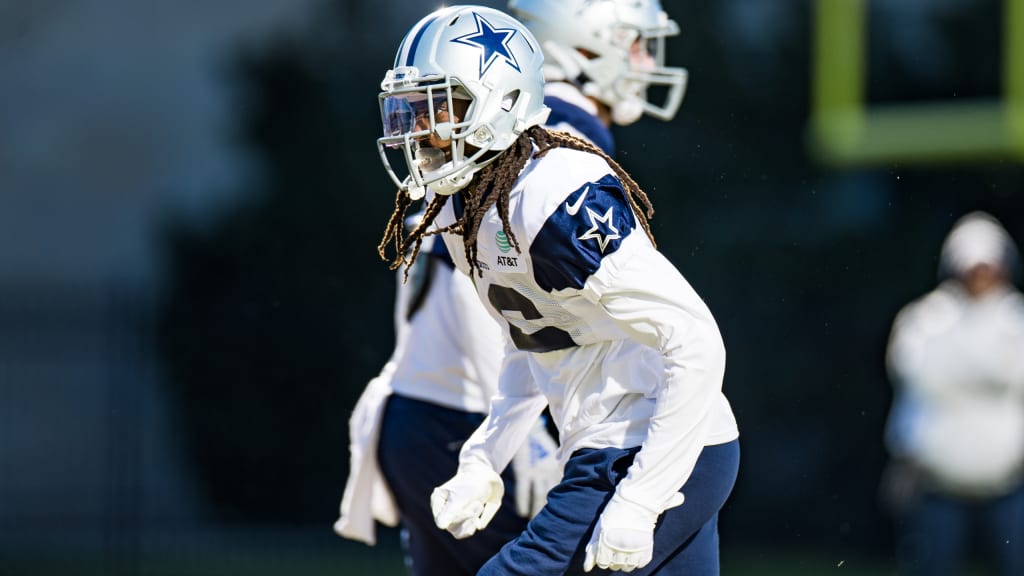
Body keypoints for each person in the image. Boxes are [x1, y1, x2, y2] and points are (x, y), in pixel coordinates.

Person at [374, 5, 740, 575]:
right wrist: (484, 458)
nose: (422, 132)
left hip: (646, 444)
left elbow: (694, 340)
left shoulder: (554, 195)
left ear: (499, 100)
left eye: (442, 108)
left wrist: (641, 499)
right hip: (616, 441)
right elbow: (532, 338)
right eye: (413, 111)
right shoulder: (460, 205)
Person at [883, 211, 1024, 576]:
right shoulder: (926, 317)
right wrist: (991, 369)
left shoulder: (1016, 318)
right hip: (936, 486)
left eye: (988, 267)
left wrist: (955, 365)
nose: (980, 277)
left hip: (1008, 484)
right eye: (972, 267)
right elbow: (915, 373)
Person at [509, 0, 688, 156]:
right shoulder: (573, 135)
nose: (650, 65)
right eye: (638, 49)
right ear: (587, 51)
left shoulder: (518, 117)